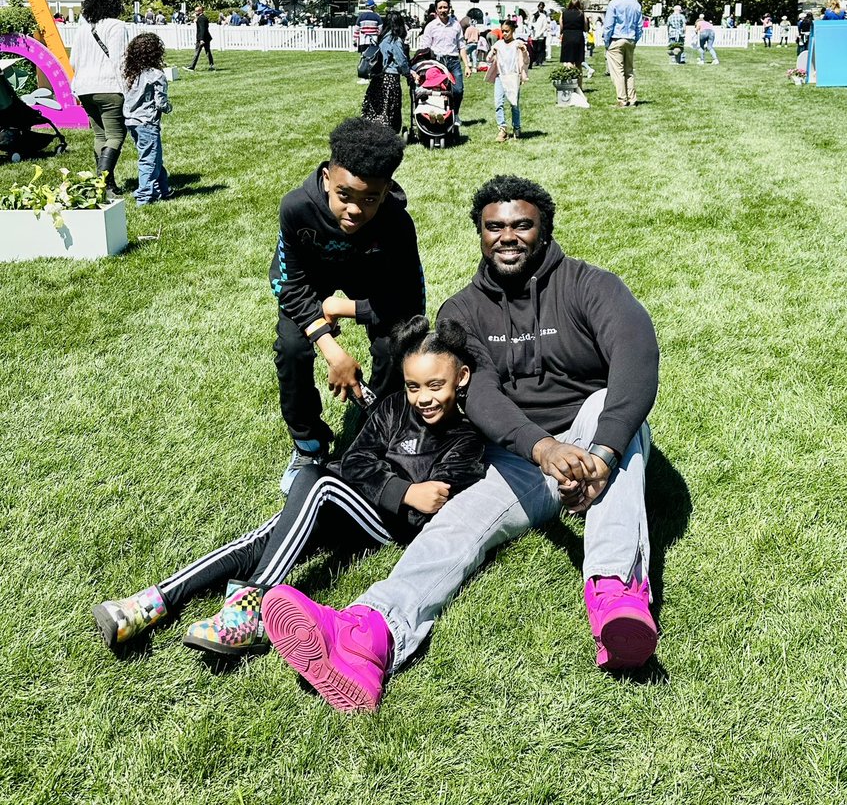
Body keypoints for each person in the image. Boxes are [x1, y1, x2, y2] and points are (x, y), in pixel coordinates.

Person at [261, 175, 660, 712]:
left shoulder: (592, 287)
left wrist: (602, 455)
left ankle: (616, 597)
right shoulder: (463, 312)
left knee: (612, 414)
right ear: (479, 232)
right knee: (455, 526)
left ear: (544, 231)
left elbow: (636, 362)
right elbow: (481, 397)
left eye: (522, 225)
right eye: (494, 227)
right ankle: (370, 636)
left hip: (594, 437)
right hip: (517, 452)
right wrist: (541, 449)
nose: (508, 237)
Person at [93, 316, 485, 661]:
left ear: (461, 377)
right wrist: (404, 489)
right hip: (342, 499)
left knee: (317, 480)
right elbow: (357, 460)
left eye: (435, 385)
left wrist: (395, 494)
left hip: (380, 522)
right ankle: (149, 604)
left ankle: (248, 610)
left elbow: (423, 510)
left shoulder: (466, 440)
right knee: (260, 540)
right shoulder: (395, 406)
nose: (423, 398)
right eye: (414, 386)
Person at [270, 118, 425, 494]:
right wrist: (330, 347)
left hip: (374, 285)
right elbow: (286, 284)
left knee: (397, 345)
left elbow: (407, 300)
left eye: (370, 198)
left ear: (387, 190)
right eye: (344, 195)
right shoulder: (296, 208)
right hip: (315, 284)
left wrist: (340, 308)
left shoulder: (397, 224)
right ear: (326, 178)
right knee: (291, 347)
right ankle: (309, 446)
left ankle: (381, 429)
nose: (355, 209)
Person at [69, 0, 130, 197]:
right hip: (109, 86)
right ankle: (102, 180)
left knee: (100, 135)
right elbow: (119, 60)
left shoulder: (83, 29)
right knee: (116, 135)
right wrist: (127, 89)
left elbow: (73, 60)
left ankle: (107, 184)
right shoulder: (116, 26)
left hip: (84, 88)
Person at [122, 32, 174, 205]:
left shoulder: (131, 73)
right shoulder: (156, 75)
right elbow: (160, 103)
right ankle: (144, 196)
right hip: (147, 122)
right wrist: (169, 108)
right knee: (149, 159)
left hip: (131, 121)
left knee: (154, 156)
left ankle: (164, 189)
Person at [361, 11, 416, 134]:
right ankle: (387, 131)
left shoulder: (382, 38)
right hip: (390, 77)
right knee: (390, 106)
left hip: (378, 77)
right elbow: (401, 61)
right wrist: (408, 73)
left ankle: (373, 129)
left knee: (377, 107)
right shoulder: (395, 39)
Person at [419, 0, 470, 123]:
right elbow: (424, 48)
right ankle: (438, 114)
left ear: (449, 8)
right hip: (437, 62)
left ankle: (455, 113)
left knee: (458, 90)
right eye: (440, 8)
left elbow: (461, 46)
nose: (443, 10)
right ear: (436, 10)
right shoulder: (431, 26)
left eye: (445, 7)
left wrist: (467, 65)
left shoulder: (456, 25)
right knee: (438, 91)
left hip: (453, 61)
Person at [603, 0, 642, 107]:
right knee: (629, 70)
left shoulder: (614, 3)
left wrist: (607, 41)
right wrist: (635, 40)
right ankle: (632, 98)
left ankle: (622, 99)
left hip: (616, 39)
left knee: (618, 72)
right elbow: (639, 26)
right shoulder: (636, 4)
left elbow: (609, 25)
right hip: (630, 39)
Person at [488, 17, 528, 142]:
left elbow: (526, 60)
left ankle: (516, 127)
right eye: (503, 31)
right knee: (498, 103)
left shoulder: (517, 44)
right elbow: (489, 59)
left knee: (514, 104)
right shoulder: (498, 44)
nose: (504, 34)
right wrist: (492, 52)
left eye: (507, 31)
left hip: (513, 76)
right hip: (500, 76)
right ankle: (502, 129)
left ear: (512, 31)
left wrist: (524, 50)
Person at [185, 6, 215, 70]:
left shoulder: (201, 19)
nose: (195, 12)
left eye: (196, 11)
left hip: (202, 38)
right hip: (206, 37)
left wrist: (201, 39)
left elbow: (202, 29)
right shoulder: (203, 18)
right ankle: (211, 65)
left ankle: (192, 67)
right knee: (208, 52)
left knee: (197, 52)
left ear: (200, 11)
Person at [560, 0, 588, 69]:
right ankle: (579, 79)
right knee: (578, 61)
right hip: (578, 36)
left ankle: (571, 76)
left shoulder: (564, 13)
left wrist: (561, 32)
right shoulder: (582, 14)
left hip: (567, 36)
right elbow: (586, 27)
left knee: (569, 60)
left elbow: (561, 26)